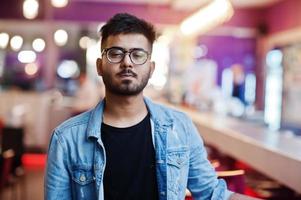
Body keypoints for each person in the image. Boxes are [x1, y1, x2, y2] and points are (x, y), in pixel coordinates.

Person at [45, 13, 260, 200]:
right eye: (115, 53)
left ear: (151, 68)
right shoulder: (66, 139)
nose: (127, 62)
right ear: (100, 66)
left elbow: (213, 194)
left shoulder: (180, 127)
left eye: (138, 54)